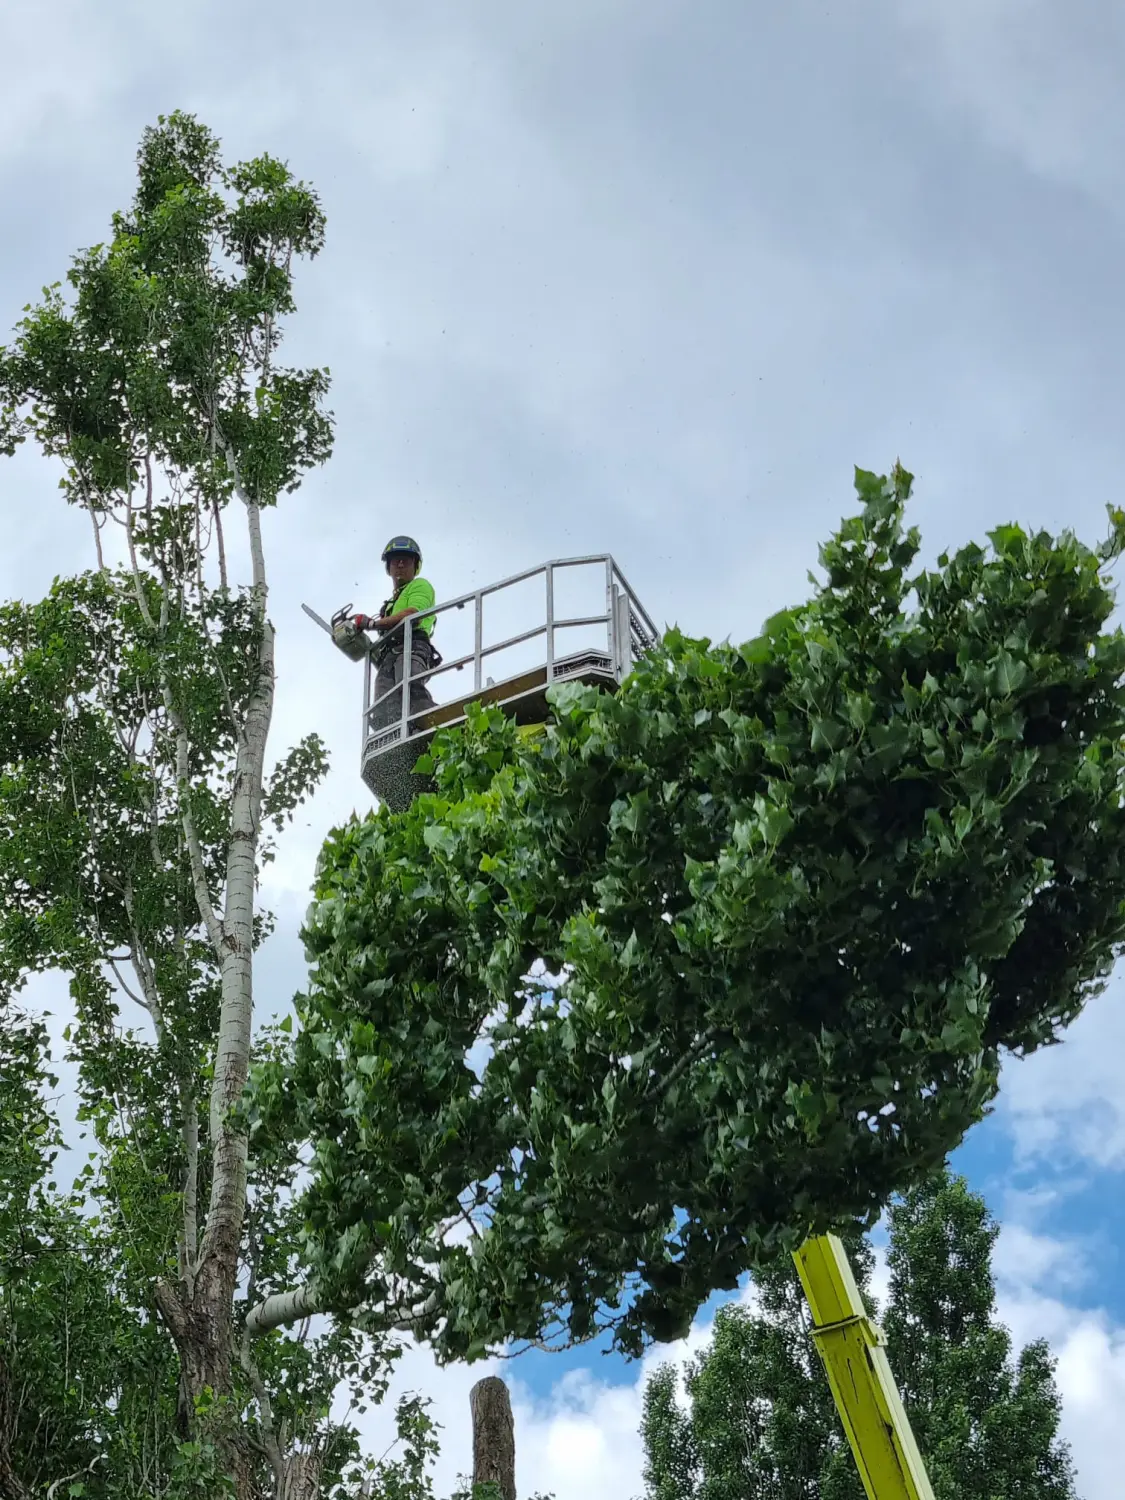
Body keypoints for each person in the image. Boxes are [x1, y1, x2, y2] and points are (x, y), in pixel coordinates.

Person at [355, 536, 440, 732]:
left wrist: (372, 623)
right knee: (383, 703)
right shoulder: (389, 605)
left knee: (408, 688)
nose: (400, 564)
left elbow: (413, 616)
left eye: (406, 559)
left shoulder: (420, 586)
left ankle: (431, 726)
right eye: (395, 560)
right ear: (389, 566)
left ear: (415, 565)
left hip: (412, 645)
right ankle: (389, 740)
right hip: (389, 655)